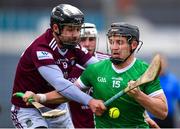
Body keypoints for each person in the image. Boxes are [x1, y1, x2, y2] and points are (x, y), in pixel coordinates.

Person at [21, 22, 168, 128]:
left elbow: (162, 112)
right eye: (111, 42)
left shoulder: (144, 70)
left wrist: (139, 96)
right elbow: (68, 93)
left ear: (134, 45)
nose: (114, 48)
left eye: (119, 42)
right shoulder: (96, 69)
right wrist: (39, 97)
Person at [10, 4, 105, 128]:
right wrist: (90, 101)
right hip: (29, 110)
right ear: (56, 28)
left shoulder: (73, 45)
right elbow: (61, 84)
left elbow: (98, 67)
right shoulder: (42, 49)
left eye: (78, 29)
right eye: (70, 29)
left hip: (58, 110)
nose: (76, 35)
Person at [68, 22, 109, 128]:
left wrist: (145, 116)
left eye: (91, 39)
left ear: (97, 41)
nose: (87, 44)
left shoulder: (107, 62)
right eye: (82, 39)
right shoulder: (66, 64)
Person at [150, 54, 180, 128]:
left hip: (168, 119)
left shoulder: (173, 80)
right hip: (152, 119)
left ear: (166, 64)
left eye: (162, 63)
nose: (160, 66)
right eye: (157, 63)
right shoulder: (148, 81)